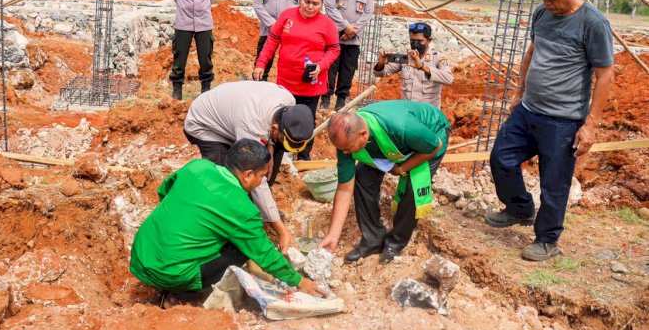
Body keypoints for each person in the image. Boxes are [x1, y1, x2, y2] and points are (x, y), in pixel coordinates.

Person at [485, 0, 614, 262]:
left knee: (554, 183)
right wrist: (519, 91)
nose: (547, 2)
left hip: (563, 120)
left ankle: (547, 239)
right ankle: (519, 208)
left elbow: (605, 74)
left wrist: (590, 124)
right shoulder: (542, 13)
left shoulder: (593, 23)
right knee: (501, 157)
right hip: (529, 109)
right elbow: (533, 50)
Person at [130, 139, 325, 300]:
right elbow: (263, 253)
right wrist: (299, 281)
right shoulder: (241, 208)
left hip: (141, 253)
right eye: (262, 176)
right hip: (170, 272)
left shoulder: (197, 166)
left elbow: (164, 190)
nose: (262, 182)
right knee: (241, 248)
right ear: (248, 175)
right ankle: (184, 296)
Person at [184, 81, 316, 252]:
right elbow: (254, 176)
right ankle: (222, 224)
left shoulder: (288, 102)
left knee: (268, 161)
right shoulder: (252, 124)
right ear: (275, 128)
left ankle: (256, 212)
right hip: (206, 124)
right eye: (282, 138)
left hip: (238, 117)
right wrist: (282, 230)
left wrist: (270, 146)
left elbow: (269, 148)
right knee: (227, 180)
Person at [319, 100, 451, 264]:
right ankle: (372, 240)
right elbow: (345, 189)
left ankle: (395, 242)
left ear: (363, 135)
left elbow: (435, 146)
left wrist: (402, 168)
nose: (345, 153)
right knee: (362, 178)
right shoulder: (346, 141)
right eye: (342, 149)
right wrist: (333, 235)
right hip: (392, 142)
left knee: (413, 188)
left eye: (348, 149)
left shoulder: (403, 127)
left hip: (431, 135)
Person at [253, 0, 340, 160]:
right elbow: (272, 41)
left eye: (315, 4)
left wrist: (320, 66)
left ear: (321, 4)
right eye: (306, 1)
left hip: (311, 82)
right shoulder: (287, 16)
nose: (310, 6)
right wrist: (261, 63)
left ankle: (303, 156)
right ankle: (280, 156)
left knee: (306, 119)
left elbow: (334, 50)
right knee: (283, 117)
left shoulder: (327, 24)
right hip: (286, 79)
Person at [322, 0, 375, 111]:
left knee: (348, 70)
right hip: (334, 36)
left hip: (354, 39)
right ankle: (325, 100)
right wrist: (345, 26)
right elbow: (329, 7)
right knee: (330, 68)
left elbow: (368, 12)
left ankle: (341, 101)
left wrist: (353, 30)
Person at [170, 0, 217, 100]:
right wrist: (186, 7)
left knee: (205, 58)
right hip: (183, 22)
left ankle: (206, 89)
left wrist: (201, 8)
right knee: (179, 56)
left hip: (204, 22)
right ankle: (177, 90)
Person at [373, 22, 453, 108]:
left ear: (429, 41)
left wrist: (422, 67)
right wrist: (380, 64)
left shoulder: (438, 59)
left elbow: (449, 79)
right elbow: (381, 73)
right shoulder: (406, 57)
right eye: (412, 41)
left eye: (419, 41)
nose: (415, 44)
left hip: (427, 113)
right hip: (408, 111)